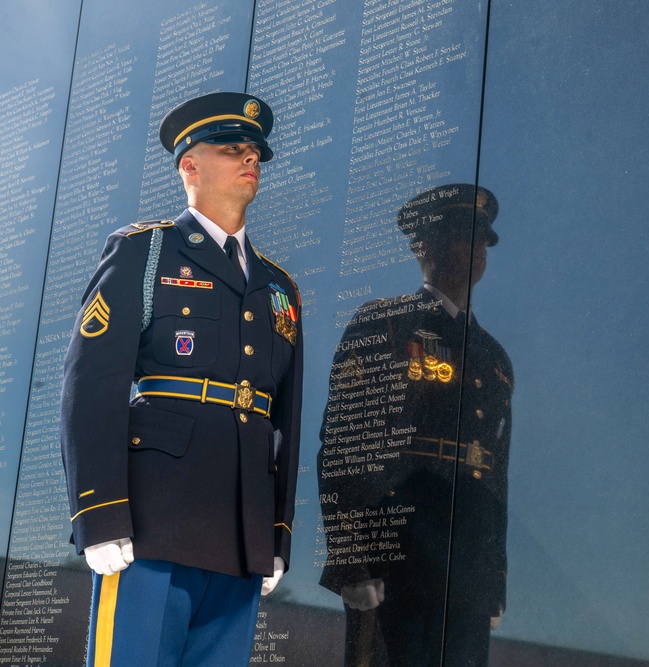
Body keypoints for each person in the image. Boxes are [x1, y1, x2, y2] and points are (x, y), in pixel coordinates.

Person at [60, 92, 303, 666]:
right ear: (188, 165)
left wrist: (277, 535)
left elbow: (284, 419)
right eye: (231, 148)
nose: (250, 159)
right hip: (151, 523)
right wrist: (98, 515)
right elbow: (91, 386)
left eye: (255, 152)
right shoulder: (145, 253)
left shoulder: (278, 287)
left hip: (242, 534)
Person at [317, 184, 512, 666]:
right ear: (424, 247)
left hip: (466, 562)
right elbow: (343, 444)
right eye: (462, 237)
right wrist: (351, 559)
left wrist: (494, 580)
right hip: (395, 554)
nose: (476, 251)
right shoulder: (385, 325)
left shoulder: (494, 358)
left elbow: (496, 475)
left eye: (482, 241)